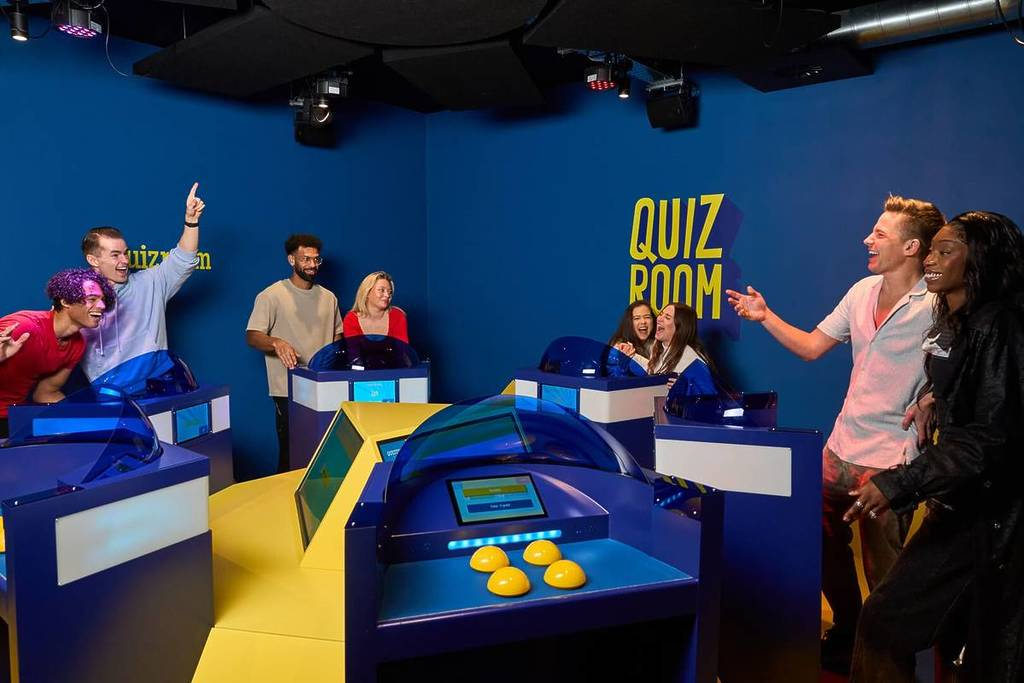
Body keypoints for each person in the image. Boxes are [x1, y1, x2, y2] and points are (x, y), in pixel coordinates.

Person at [725, 195, 946, 673]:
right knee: (818, 540)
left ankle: (887, 660)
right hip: (839, 450)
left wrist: (935, 396)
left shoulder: (938, 301)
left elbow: (967, 361)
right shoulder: (862, 291)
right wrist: (765, 317)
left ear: (911, 246)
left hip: (892, 462)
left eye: (880, 234)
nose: (868, 239)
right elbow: (810, 347)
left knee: (883, 574)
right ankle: (849, 628)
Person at [845, 212, 1024, 682]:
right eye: (932, 249)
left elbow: (990, 438)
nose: (932, 258)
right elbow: (967, 389)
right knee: (916, 627)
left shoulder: (999, 327)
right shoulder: (953, 319)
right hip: (959, 501)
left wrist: (900, 482)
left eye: (947, 251)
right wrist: (933, 401)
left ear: (979, 259)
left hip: (991, 517)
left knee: (890, 621)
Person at [80, 182, 206, 380]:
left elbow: (184, 259)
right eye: (115, 255)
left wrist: (191, 221)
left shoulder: (150, 282)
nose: (124, 261)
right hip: (111, 395)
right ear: (93, 260)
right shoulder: (75, 297)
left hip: (159, 388)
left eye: (125, 253)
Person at [246, 234, 343, 474]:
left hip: (325, 388)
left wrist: (334, 357)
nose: (312, 264)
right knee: (291, 456)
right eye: (305, 259)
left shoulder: (329, 298)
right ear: (292, 260)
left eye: (316, 259)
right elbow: (252, 335)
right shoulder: (271, 295)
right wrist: (276, 342)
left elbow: (338, 336)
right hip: (288, 391)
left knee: (327, 454)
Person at [0, 268, 115, 437]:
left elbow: (46, 393)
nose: (102, 306)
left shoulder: (77, 344)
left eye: (103, 300)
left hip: (11, 420)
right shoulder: (24, 327)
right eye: (92, 299)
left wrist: (83, 420)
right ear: (66, 301)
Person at [617, 302, 718, 394]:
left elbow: (710, 395)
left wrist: (688, 391)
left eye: (667, 317)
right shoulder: (661, 348)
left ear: (680, 327)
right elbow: (654, 372)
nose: (659, 319)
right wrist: (631, 355)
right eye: (661, 314)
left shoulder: (692, 359)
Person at [343, 271, 408, 343]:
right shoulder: (351, 319)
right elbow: (354, 352)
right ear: (367, 293)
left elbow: (402, 351)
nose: (387, 295)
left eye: (390, 292)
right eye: (381, 290)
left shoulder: (398, 316)